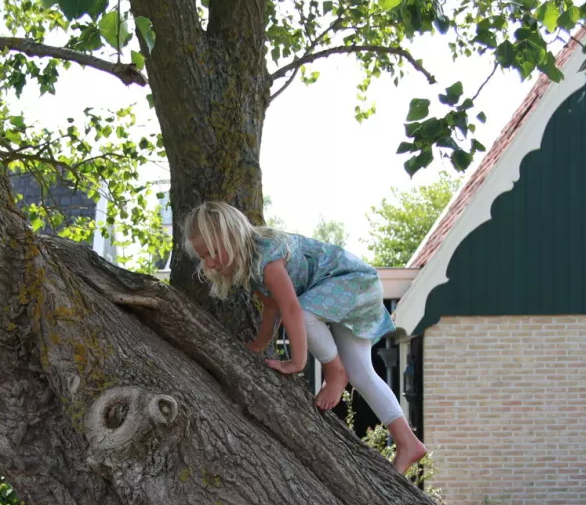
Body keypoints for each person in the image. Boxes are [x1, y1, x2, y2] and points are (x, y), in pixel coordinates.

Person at [181, 201, 428, 474]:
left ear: (231, 237)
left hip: (352, 282)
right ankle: (408, 443)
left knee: (307, 315)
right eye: (203, 257)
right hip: (348, 291)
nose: (209, 263)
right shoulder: (250, 269)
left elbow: (291, 309)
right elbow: (272, 307)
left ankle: (335, 373)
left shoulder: (266, 258)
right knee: (362, 374)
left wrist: (297, 363)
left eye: (212, 253)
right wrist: (258, 346)